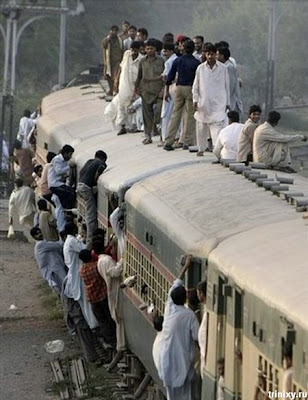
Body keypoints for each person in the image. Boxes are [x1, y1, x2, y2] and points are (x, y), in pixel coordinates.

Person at [157, 255, 199, 400]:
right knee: (185, 395)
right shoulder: (189, 316)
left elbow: (176, 283)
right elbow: (196, 336)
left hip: (166, 360)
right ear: (185, 299)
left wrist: (185, 266)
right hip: (181, 362)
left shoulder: (169, 306)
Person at [192, 42, 230, 156]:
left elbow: (226, 85)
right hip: (203, 103)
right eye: (208, 54)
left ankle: (217, 150)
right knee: (201, 127)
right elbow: (196, 86)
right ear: (205, 54)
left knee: (217, 128)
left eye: (212, 54)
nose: (210, 57)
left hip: (219, 103)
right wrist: (195, 100)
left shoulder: (223, 68)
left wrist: (228, 103)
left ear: (216, 54)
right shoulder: (200, 68)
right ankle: (201, 149)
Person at [163, 40, 200, 151]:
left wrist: (167, 89)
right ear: (193, 49)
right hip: (190, 88)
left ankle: (168, 141)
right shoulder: (196, 63)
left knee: (175, 115)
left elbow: (170, 77)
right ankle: (187, 141)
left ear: (183, 49)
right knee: (189, 116)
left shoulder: (178, 61)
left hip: (179, 88)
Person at [63, 222, 98, 330]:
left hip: (74, 274)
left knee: (84, 303)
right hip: (77, 275)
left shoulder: (69, 241)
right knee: (86, 302)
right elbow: (85, 249)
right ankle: (94, 325)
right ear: (73, 229)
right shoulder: (72, 241)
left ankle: (92, 324)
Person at [79, 249, 116, 347]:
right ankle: (116, 337)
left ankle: (110, 340)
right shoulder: (96, 266)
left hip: (92, 299)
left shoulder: (82, 271)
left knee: (102, 321)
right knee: (109, 317)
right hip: (103, 296)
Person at [106, 41, 143, 136]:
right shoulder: (126, 55)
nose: (133, 51)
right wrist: (116, 80)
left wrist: (138, 87)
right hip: (124, 84)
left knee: (133, 105)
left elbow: (141, 75)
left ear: (139, 49)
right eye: (131, 49)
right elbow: (121, 68)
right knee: (121, 104)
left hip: (135, 85)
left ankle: (134, 126)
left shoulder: (141, 60)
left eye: (135, 49)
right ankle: (122, 126)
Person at [96, 240, 125, 351]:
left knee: (117, 316)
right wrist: (122, 261)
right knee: (119, 317)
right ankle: (121, 345)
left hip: (111, 290)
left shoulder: (99, 261)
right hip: (115, 289)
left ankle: (120, 344)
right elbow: (115, 273)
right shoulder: (106, 260)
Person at [134, 39, 165, 145]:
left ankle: (162, 134)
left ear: (155, 49)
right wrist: (136, 88)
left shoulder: (161, 61)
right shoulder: (142, 61)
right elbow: (139, 75)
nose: (149, 50)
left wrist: (164, 89)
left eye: (151, 48)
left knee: (160, 112)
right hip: (146, 91)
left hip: (158, 91)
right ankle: (148, 136)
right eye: (147, 48)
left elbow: (165, 77)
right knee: (146, 115)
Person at [77, 150, 107, 247]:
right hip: (86, 187)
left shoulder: (89, 161)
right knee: (91, 214)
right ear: (103, 158)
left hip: (79, 185)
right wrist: (94, 183)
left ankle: (85, 231)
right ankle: (90, 241)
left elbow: (81, 172)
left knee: (88, 210)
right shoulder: (101, 163)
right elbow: (97, 175)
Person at [30, 226, 66, 293]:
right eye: (37, 234)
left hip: (55, 268)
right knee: (65, 286)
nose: (40, 234)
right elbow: (58, 245)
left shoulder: (44, 243)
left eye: (40, 232)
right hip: (53, 270)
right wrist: (62, 236)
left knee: (63, 288)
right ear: (34, 237)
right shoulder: (40, 245)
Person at [216, 47, 243, 118]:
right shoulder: (222, 66)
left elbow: (230, 86)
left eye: (217, 54)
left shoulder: (229, 67)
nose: (216, 56)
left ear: (222, 56)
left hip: (231, 102)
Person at [160, 42, 178, 145]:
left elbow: (166, 78)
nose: (164, 52)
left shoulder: (169, 62)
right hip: (176, 88)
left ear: (170, 51)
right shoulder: (176, 59)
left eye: (165, 50)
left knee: (166, 113)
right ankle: (175, 136)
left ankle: (165, 137)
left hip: (170, 88)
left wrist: (165, 91)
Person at [48, 144, 75, 209]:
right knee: (69, 193)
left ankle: (65, 209)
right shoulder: (57, 160)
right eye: (70, 154)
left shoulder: (64, 161)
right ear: (65, 153)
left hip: (59, 183)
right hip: (55, 184)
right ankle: (66, 210)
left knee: (70, 191)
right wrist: (69, 167)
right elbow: (58, 171)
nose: (70, 157)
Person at [102, 25, 124, 96]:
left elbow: (122, 50)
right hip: (108, 62)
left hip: (117, 61)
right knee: (108, 76)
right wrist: (108, 39)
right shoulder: (106, 40)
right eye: (112, 30)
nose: (114, 32)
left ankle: (115, 90)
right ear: (110, 31)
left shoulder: (120, 40)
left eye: (115, 31)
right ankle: (111, 90)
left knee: (116, 77)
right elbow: (104, 45)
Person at [196, 280, 207, 379]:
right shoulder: (206, 309)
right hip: (203, 352)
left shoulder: (208, 312)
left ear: (201, 293)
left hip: (205, 354)